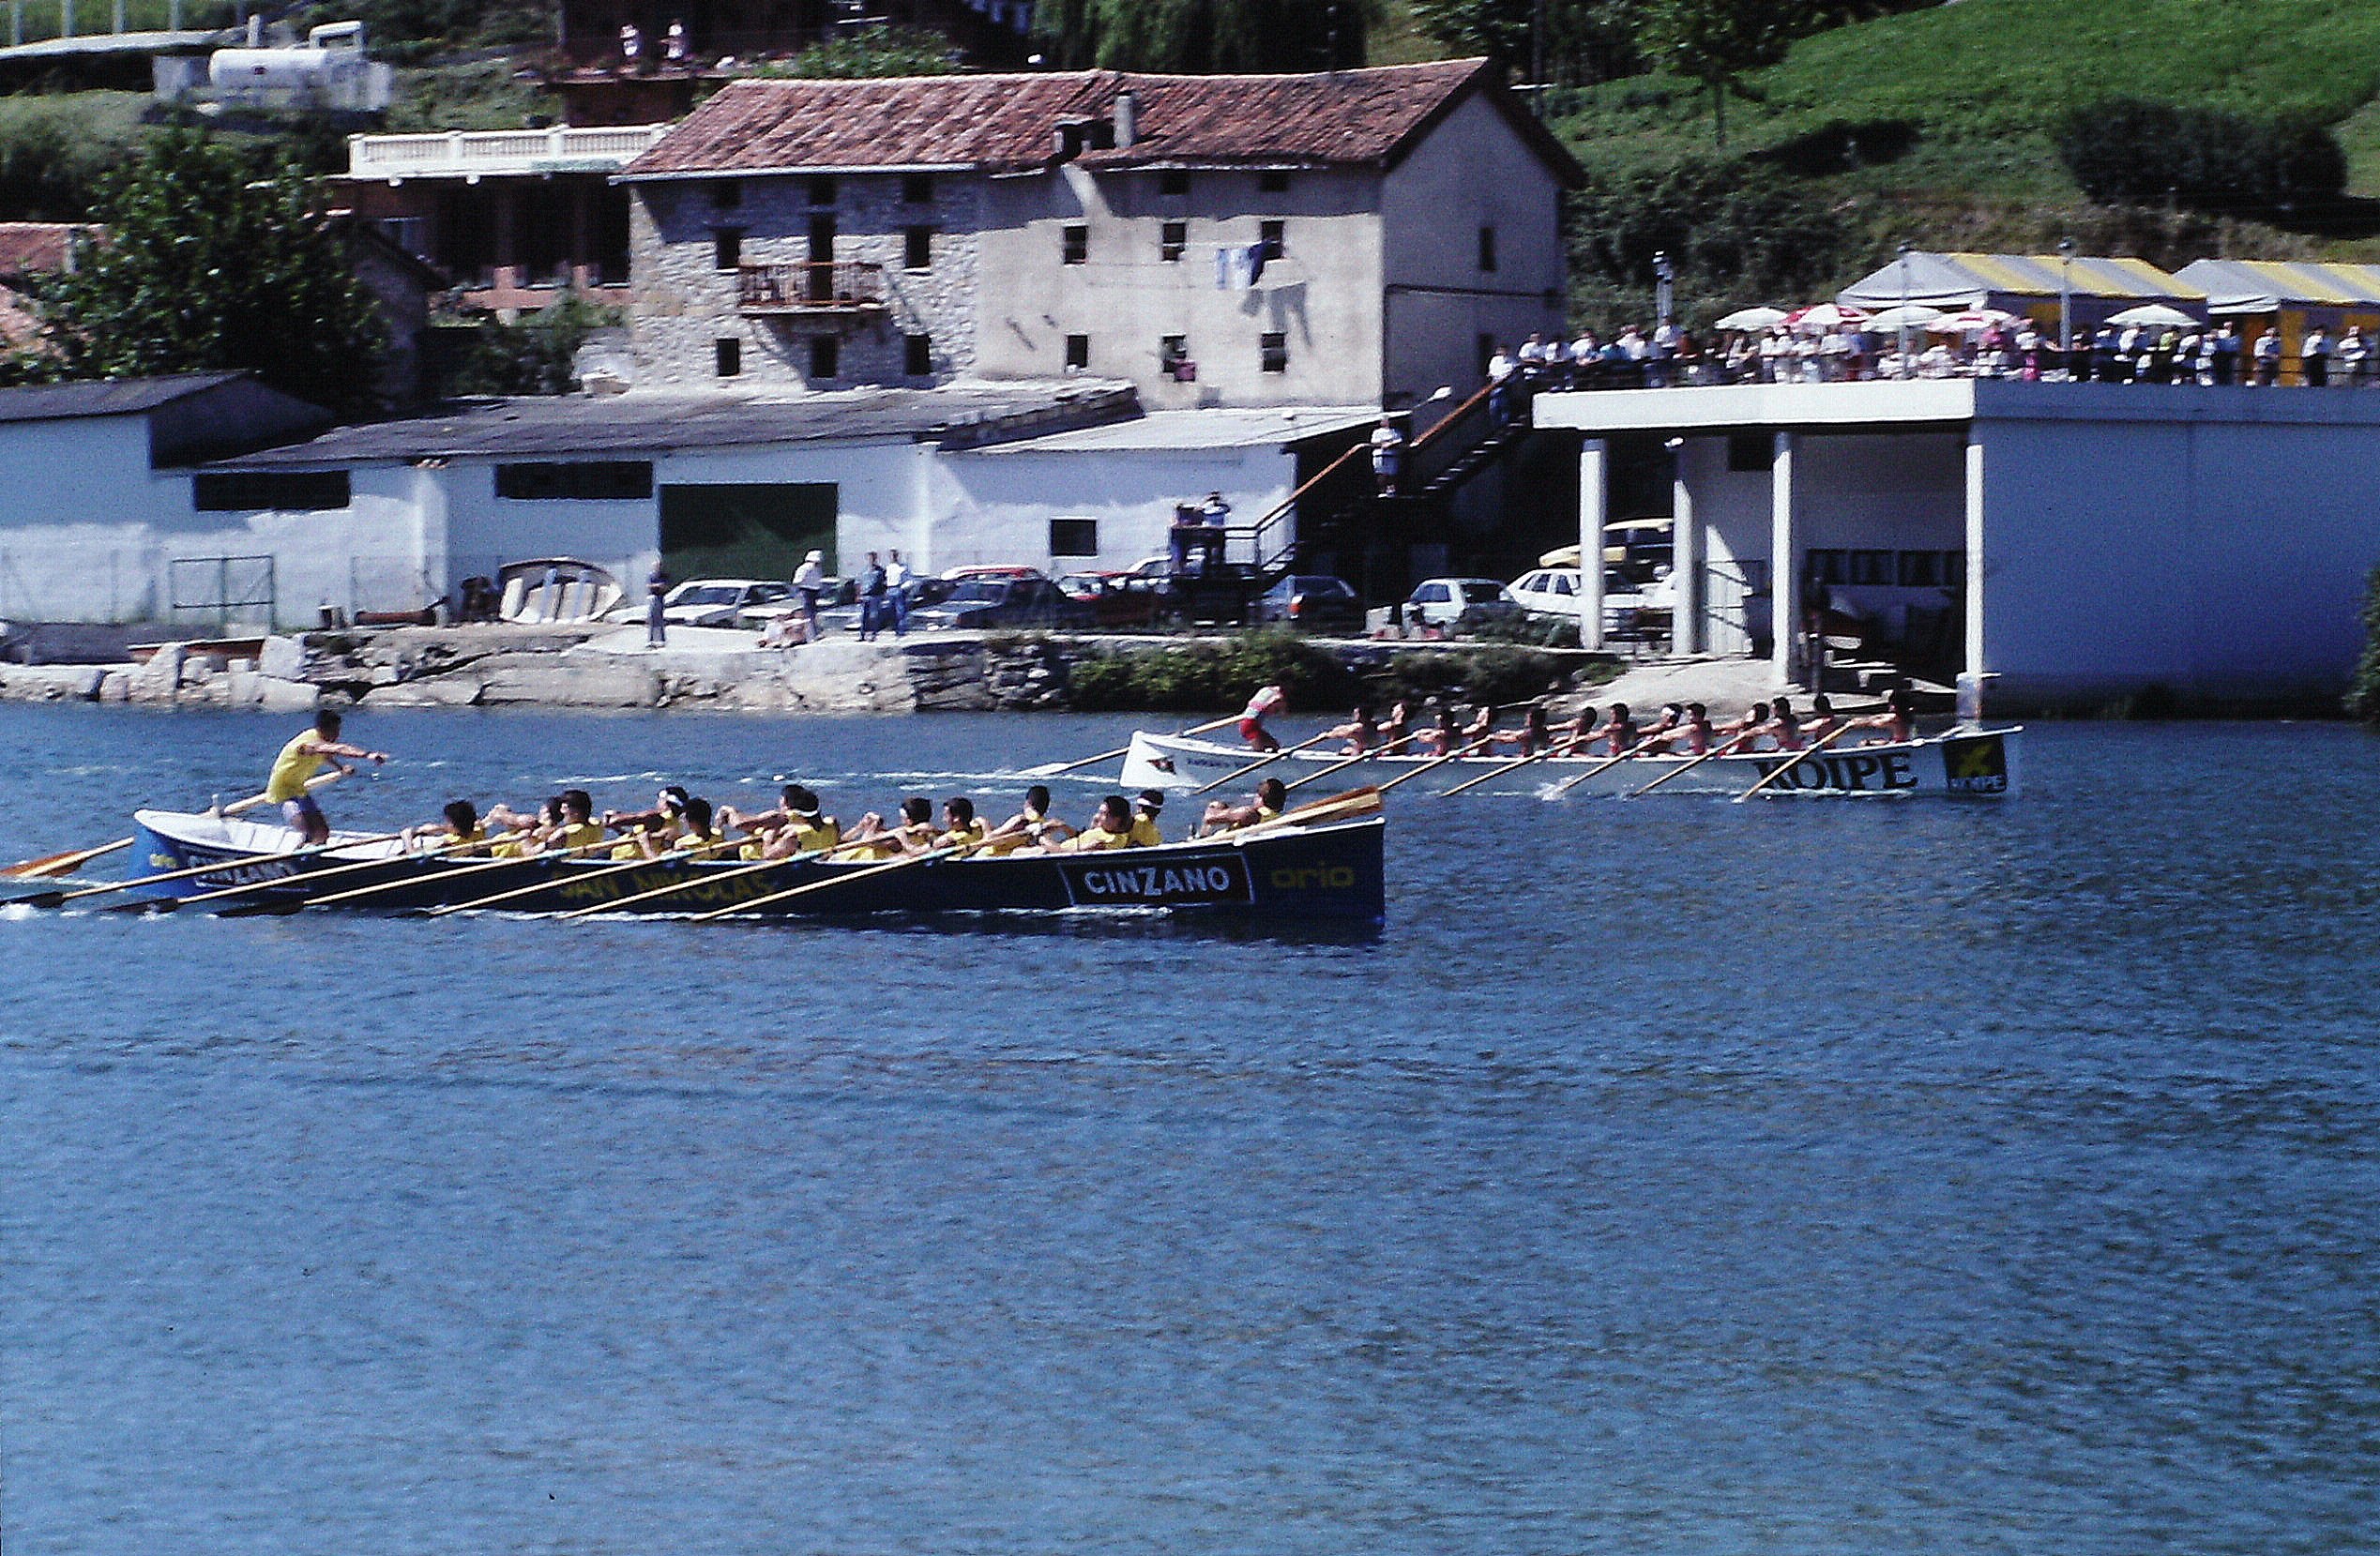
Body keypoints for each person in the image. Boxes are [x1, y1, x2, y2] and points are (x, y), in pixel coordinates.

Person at [265, 709, 387, 846]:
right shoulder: (305, 744)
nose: (337, 735)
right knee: (310, 831)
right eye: (334, 731)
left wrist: (340, 768)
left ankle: (311, 854)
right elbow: (336, 749)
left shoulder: (322, 741)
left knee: (323, 832)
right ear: (322, 729)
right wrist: (368, 755)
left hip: (298, 789)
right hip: (282, 793)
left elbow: (326, 755)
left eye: (338, 731)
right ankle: (299, 855)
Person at [725, 783, 840, 860]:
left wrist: (768, 837)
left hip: (754, 861)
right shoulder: (832, 824)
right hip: (813, 861)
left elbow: (768, 854)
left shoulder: (789, 828)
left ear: (785, 801)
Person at [981, 785, 1073, 854]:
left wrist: (984, 823)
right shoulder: (1045, 824)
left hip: (990, 854)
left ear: (1027, 803)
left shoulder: (1019, 820)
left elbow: (989, 837)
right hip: (998, 854)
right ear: (1047, 806)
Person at [842, 795, 933, 859]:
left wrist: (872, 825)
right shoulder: (924, 833)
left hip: (853, 858)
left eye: (902, 818)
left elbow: (868, 842)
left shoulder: (901, 834)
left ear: (909, 820)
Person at [1202, 776, 1285, 834]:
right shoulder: (1279, 818)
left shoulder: (1248, 813)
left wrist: (1213, 806)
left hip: (1218, 843)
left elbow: (1209, 819)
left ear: (1260, 797)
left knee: (1215, 805)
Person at [402, 799, 486, 856]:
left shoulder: (448, 842)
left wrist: (407, 837)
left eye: (447, 821)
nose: (445, 824)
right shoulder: (479, 831)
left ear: (454, 826)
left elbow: (413, 855)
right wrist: (440, 828)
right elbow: (475, 823)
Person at [1053, 794, 1134, 852]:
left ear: (1117, 819)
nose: (1097, 816)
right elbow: (1081, 837)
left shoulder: (1111, 841)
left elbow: (1067, 853)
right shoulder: (1105, 831)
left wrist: (1044, 841)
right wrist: (1064, 827)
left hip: (1056, 853)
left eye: (1103, 813)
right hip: (1061, 846)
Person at [1845, 687, 1918, 745]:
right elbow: (1880, 716)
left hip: (1901, 746)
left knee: (1865, 744)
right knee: (1870, 742)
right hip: (1899, 743)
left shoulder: (1896, 719)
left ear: (1894, 706)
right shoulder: (1906, 715)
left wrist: (1855, 724)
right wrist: (1859, 720)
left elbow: (1874, 722)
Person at [1236, 683, 1286, 751]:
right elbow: (1271, 707)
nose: (1275, 712)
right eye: (1276, 710)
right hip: (1250, 726)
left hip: (1246, 722)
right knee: (1262, 751)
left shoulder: (1264, 690)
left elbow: (1250, 703)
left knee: (1275, 746)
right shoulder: (1278, 697)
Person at [793, 549, 826, 637]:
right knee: (808, 614)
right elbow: (797, 581)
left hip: (813, 592)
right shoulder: (805, 568)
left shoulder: (817, 569)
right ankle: (810, 634)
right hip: (806, 591)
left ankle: (814, 633)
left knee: (812, 614)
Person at [1369, 415, 1406, 495]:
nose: (1385, 422)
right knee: (1381, 473)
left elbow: (1399, 440)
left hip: (1392, 455)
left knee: (1392, 474)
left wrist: (1390, 443)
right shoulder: (1376, 432)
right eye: (1383, 421)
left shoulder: (1395, 431)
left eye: (1387, 420)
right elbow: (1374, 441)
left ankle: (1391, 491)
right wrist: (1386, 441)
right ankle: (1382, 491)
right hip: (1380, 455)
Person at [856, 551, 887, 642]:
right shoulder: (864, 571)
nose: (871, 560)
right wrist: (858, 595)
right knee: (863, 617)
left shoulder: (880, 571)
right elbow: (858, 582)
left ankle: (873, 635)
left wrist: (883, 594)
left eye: (873, 558)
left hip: (875, 596)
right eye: (870, 558)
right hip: (864, 596)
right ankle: (862, 635)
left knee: (874, 616)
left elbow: (884, 583)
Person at [885, 548, 913, 637]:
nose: (892, 557)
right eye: (891, 556)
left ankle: (901, 630)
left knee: (900, 611)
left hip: (897, 588)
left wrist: (902, 588)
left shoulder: (901, 567)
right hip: (890, 589)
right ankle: (894, 627)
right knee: (891, 611)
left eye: (894, 556)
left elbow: (908, 580)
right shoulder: (888, 567)